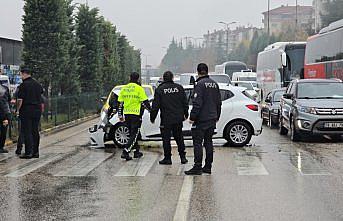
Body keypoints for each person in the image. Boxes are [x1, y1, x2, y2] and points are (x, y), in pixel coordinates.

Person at [185, 63, 222, 175]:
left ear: (198, 72)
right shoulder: (214, 84)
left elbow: (197, 103)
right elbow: (218, 103)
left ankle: (197, 167)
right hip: (212, 118)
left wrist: (192, 117)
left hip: (201, 119)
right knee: (208, 142)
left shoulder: (199, 84)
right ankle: (208, 166)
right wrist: (217, 116)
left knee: (197, 143)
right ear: (207, 71)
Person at [150, 71, 189, 165]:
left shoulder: (160, 89)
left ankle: (168, 158)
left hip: (166, 119)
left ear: (163, 78)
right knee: (179, 138)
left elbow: (156, 106)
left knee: (166, 139)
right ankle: (183, 157)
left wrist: (152, 117)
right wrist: (186, 114)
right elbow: (185, 102)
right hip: (178, 118)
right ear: (172, 78)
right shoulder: (179, 88)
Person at [118, 72, 151, 161]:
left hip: (127, 115)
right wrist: (151, 111)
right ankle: (126, 151)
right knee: (134, 134)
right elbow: (145, 102)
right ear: (138, 79)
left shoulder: (124, 88)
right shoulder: (139, 89)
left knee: (133, 134)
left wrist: (120, 115)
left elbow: (120, 103)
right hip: (136, 115)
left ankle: (137, 152)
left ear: (129, 78)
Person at [17, 67, 44, 159]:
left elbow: (20, 100)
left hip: (26, 110)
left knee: (27, 131)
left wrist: (17, 109)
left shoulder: (23, 85)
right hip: (37, 109)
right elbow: (41, 96)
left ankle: (28, 152)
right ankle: (36, 152)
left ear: (24, 73)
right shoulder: (37, 84)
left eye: (21, 74)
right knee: (35, 130)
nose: (21, 76)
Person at [0, 84, 11, 153]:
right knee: (3, 131)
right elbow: (8, 100)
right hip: (4, 113)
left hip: (4, 113)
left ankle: (1, 147)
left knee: (3, 131)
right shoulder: (5, 88)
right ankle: (1, 147)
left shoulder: (5, 88)